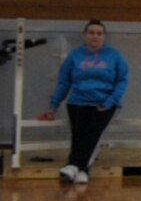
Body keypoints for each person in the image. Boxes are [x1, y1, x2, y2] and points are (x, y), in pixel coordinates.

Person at [39, 19, 130, 185]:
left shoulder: (115, 56)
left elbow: (122, 81)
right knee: (78, 135)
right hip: (78, 102)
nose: (95, 36)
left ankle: (74, 165)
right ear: (85, 35)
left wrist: (111, 100)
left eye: (99, 33)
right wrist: (53, 106)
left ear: (104, 37)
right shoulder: (74, 56)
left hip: (104, 102)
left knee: (93, 132)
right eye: (91, 32)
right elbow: (64, 82)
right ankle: (81, 170)